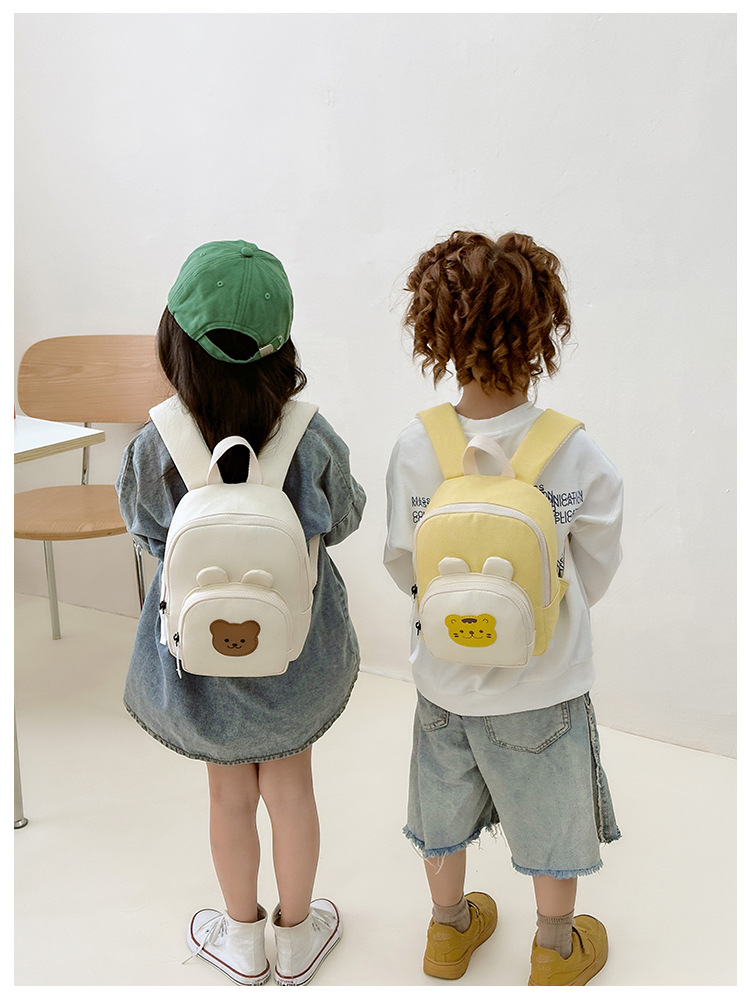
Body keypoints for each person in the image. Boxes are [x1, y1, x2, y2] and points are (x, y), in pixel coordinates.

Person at [117, 240, 365, 987]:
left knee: (228, 795)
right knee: (292, 791)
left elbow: (146, 534)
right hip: (296, 653)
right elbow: (344, 518)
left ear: (174, 340)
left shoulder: (154, 445)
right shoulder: (310, 435)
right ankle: (297, 935)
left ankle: (241, 937)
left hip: (198, 663)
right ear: (281, 349)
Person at [384, 231, 623, 987]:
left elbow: (402, 560)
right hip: (543, 683)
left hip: (444, 680)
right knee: (550, 808)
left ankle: (447, 933)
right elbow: (595, 563)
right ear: (542, 331)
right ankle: (554, 947)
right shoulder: (572, 450)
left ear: (434, 333)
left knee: (443, 808)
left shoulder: (416, 445)